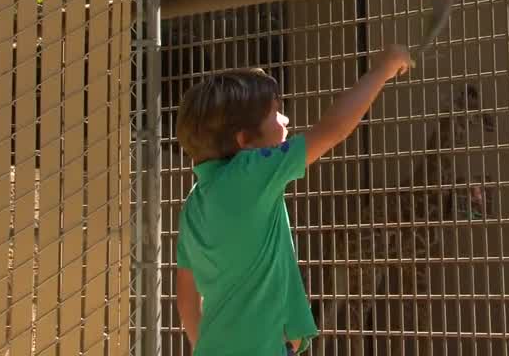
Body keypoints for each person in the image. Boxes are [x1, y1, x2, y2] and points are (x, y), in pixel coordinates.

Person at [172, 44, 414, 355]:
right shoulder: (251, 171)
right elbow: (332, 130)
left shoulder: (195, 202)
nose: (285, 119)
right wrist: (383, 69)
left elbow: (186, 293)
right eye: (275, 112)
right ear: (244, 141)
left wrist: (206, 346)